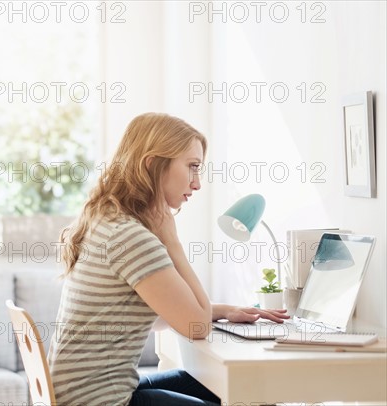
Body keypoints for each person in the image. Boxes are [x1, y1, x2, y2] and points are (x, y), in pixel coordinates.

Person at [47, 113, 289, 406]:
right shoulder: (129, 237)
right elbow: (195, 327)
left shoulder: (105, 220)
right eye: (192, 167)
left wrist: (222, 310)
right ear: (153, 164)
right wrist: (171, 240)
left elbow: (157, 317)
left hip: (86, 394)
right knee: (250, 392)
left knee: (239, 385)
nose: (197, 183)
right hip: (102, 401)